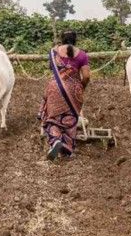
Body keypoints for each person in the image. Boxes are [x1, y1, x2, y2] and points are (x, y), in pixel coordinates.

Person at [38, 30, 92, 160]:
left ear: (61, 39)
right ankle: (67, 148)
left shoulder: (53, 52)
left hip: (54, 88)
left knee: (52, 117)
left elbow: (52, 68)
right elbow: (86, 76)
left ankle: (56, 139)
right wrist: (81, 88)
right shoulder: (82, 55)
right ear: (75, 40)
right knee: (70, 118)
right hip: (73, 90)